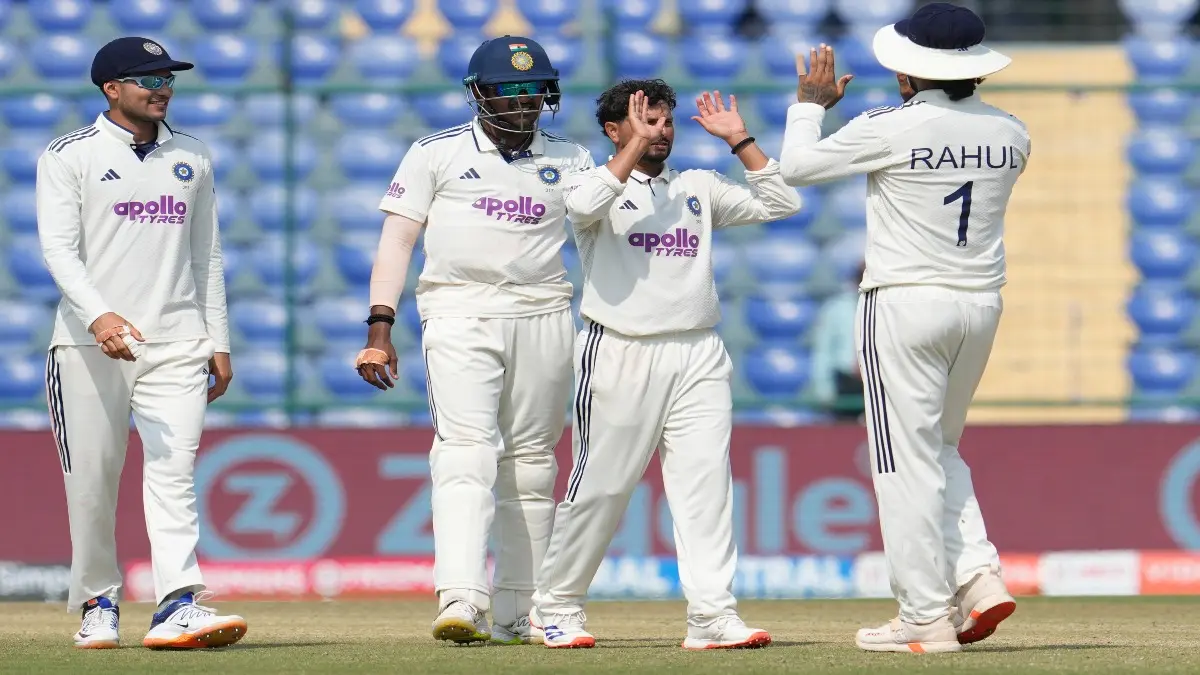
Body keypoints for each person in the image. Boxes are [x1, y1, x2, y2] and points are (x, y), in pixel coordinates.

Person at [778, 3, 1030, 654]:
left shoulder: (889, 126)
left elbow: (798, 168)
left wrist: (809, 105)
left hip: (904, 303)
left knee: (903, 466)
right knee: (940, 450)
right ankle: (975, 576)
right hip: (980, 306)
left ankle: (924, 616)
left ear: (908, 74)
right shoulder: (1012, 132)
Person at [529, 79, 802, 650]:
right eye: (645, 121)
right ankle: (554, 606)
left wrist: (740, 139)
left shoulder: (697, 186)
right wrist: (631, 151)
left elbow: (783, 202)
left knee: (705, 490)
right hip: (621, 349)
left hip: (699, 352)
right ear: (613, 130)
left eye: (667, 122)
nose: (660, 132)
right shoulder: (590, 182)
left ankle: (712, 616)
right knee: (602, 487)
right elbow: (581, 208)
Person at [355, 36, 593, 646]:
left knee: (534, 464)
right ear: (480, 93)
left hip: (544, 310)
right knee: (465, 450)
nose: (524, 102)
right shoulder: (435, 153)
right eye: (510, 90)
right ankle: (461, 596)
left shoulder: (571, 158)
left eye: (534, 89)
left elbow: (603, 238)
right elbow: (398, 240)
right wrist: (380, 326)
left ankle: (526, 608)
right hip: (459, 309)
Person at [36, 37, 244, 650]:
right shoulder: (68, 155)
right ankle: (99, 602)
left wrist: (218, 337)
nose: (163, 87)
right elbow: (58, 250)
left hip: (177, 340)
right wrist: (100, 316)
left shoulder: (194, 156)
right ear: (111, 88)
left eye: (168, 78)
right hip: (86, 345)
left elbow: (206, 254)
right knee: (93, 482)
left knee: (174, 473)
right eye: (148, 78)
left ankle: (178, 602)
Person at [811, 262, 867, 422]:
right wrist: (824, 390)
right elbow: (823, 350)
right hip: (846, 382)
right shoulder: (835, 309)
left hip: (877, 379)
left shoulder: (886, 309)